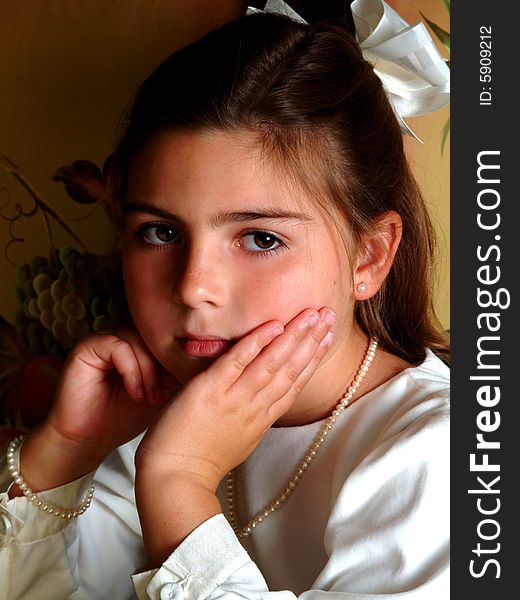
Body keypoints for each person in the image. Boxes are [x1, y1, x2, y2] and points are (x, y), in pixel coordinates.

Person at [0, 1, 450, 598]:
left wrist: (178, 484)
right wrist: (64, 451)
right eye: (160, 232)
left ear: (368, 257)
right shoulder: (146, 415)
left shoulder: (438, 457)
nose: (193, 287)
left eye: (261, 239)